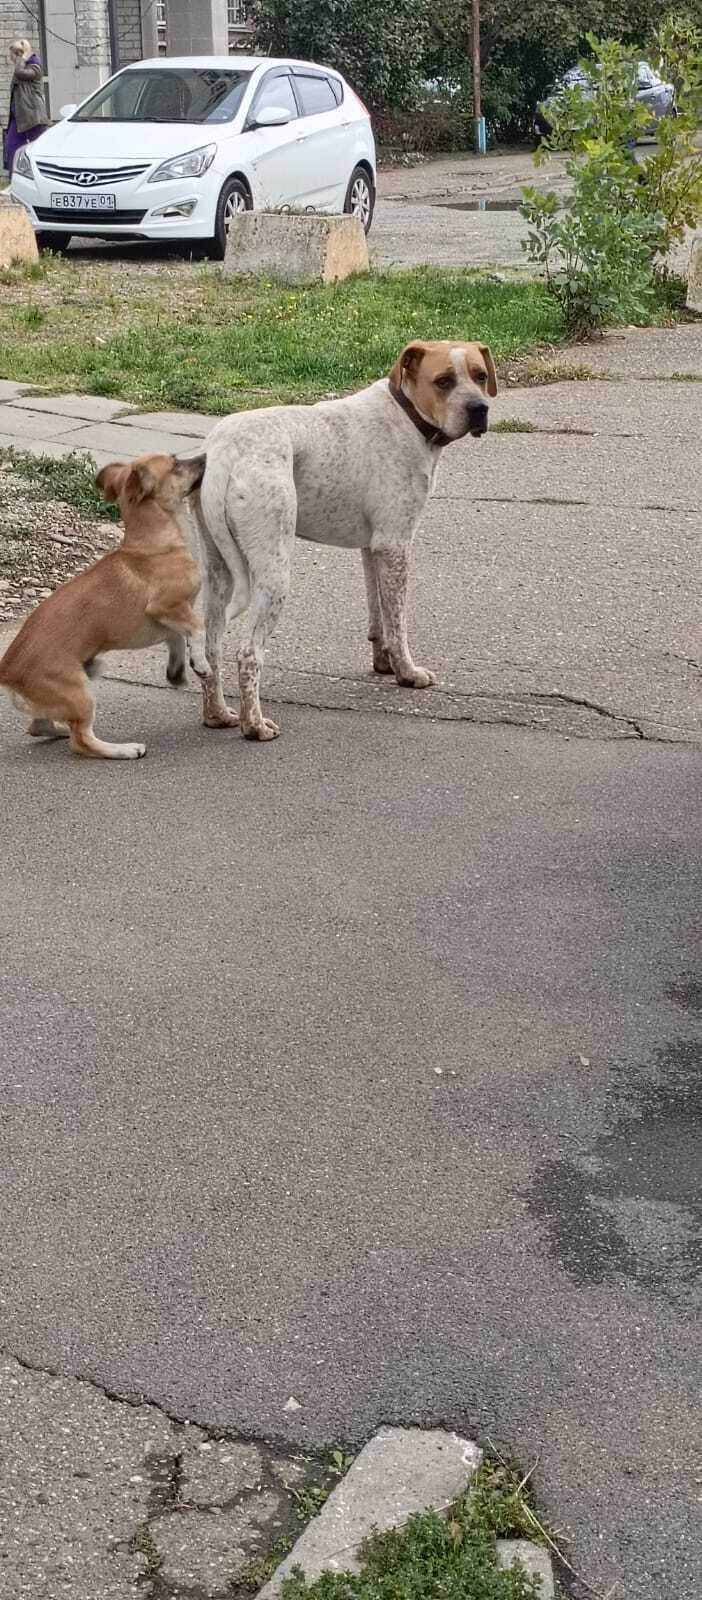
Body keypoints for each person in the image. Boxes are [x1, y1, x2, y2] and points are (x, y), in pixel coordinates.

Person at [3, 39, 48, 175]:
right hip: (18, 118)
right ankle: (14, 179)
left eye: (11, 55)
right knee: (11, 149)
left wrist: (22, 58)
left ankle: (43, 177)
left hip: (33, 118)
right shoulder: (23, 65)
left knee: (39, 150)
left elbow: (20, 73)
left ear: (18, 54)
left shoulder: (34, 65)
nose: (10, 59)